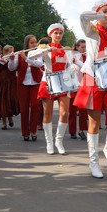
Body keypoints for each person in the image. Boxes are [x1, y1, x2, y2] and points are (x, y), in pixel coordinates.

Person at [73, 0, 107, 179]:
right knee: (94, 123)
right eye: (105, 11)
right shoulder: (91, 30)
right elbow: (82, 15)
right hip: (93, 78)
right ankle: (93, 162)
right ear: (98, 13)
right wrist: (103, 15)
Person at [32, 24, 73, 155]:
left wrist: (74, 68)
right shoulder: (45, 47)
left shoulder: (66, 50)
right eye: (56, 33)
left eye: (60, 33)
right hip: (48, 81)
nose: (58, 35)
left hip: (63, 81)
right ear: (51, 34)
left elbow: (72, 64)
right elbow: (30, 57)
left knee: (64, 113)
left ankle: (58, 141)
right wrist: (45, 51)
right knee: (47, 113)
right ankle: (49, 142)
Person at [8, 35, 43, 141]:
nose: (34, 44)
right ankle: (25, 133)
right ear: (27, 44)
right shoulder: (19, 54)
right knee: (24, 109)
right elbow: (11, 68)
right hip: (23, 84)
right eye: (32, 43)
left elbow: (39, 64)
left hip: (35, 83)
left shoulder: (38, 53)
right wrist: (11, 59)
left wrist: (26, 59)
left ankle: (33, 130)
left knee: (35, 105)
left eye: (35, 42)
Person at [0, 45, 19, 130]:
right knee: (3, 101)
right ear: (5, 53)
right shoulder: (1, 59)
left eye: (12, 51)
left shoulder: (14, 59)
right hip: (3, 82)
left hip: (12, 82)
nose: (11, 53)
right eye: (9, 52)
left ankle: (10, 117)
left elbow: (14, 68)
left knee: (11, 100)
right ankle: (4, 122)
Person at [69, 39, 88, 140]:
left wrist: (76, 61)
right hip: (72, 85)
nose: (84, 49)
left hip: (82, 85)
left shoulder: (86, 57)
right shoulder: (70, 55)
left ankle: (81, 130)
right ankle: (72, 131)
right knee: (72, 110)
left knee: (83, 109)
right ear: (77, 47)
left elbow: (85, 67)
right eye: (82, 47)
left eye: (85, 47)